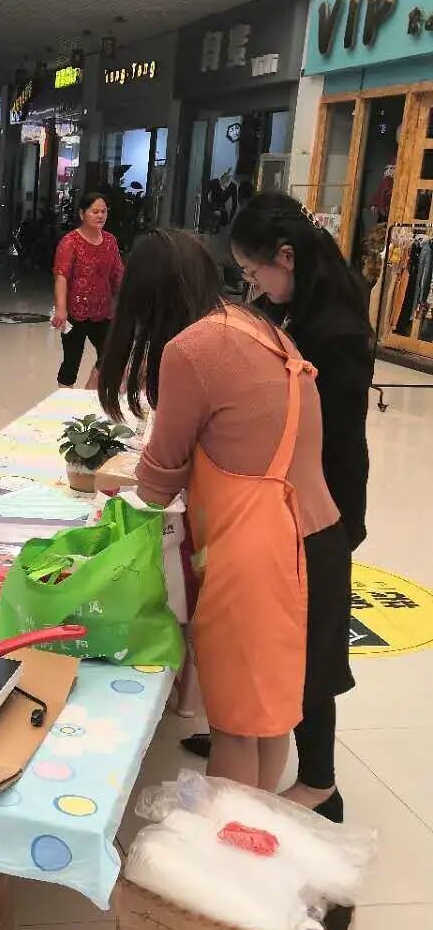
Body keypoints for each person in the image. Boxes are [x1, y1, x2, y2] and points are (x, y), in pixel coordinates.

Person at [98, 230, 349, 792]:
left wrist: (112, 514)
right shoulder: (254, 324)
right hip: (313, 537)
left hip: (257, 552)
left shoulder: (191, 348)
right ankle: (254, 833)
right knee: (269, 716)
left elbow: (161, 473)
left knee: (235, 726)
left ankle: (225, 838)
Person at [181, 194, 373, 820]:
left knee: (309, 647)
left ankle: (320, 784)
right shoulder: (290, 306)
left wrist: (322, 520)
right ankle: (243, 730)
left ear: (286, 257)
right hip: (277, 497)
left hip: (316, 506)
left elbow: (332, 436)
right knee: (262, 634)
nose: (251, 285)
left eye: (254, 271)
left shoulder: (333, 329)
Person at [51, 193, 124, 388]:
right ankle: (64, 397)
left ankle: (91, 390)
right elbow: (61, 276)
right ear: (82, 214)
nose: (100, 216)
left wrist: (128, 300)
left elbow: (118, 274)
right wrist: (60, 309)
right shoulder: (70, 242)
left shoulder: (110, 241)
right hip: (75, 312)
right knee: (72, 360)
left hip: (103, 311)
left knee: (111, 353)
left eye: (104, 212)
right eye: (95, 211)